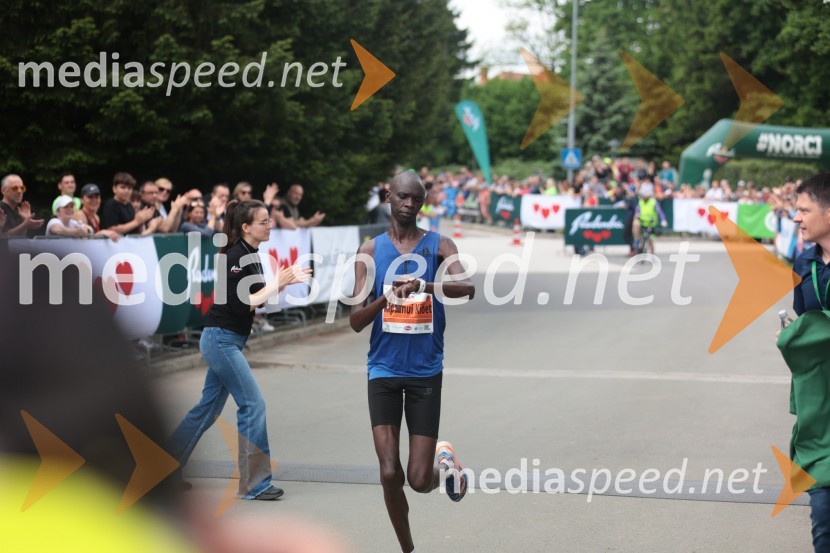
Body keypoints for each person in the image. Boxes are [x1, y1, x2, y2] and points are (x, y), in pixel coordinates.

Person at [349, 171, 476, 553]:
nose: (409, 205)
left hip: (425, 372)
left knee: (420, 480)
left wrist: (426, 286)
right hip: (383, 371)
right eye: (403, 197)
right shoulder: (369, 252)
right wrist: (385, 300)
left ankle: (446, 467)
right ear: (388, 196)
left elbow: (466, 287)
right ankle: (408, 549)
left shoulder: (439, 244)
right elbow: (356, 320)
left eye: (416, 200)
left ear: (423, 202)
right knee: (390, 472)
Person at [168, 199, 311, 500]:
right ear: (246, 227)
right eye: (264, 221)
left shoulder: (250, 254)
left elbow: (257, 301)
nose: (270, 225)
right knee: (253, 404)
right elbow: (240, 303)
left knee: (207, 409)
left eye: (270, 220)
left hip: (226, 340)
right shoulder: (236, 255)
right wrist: (278, 282)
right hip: (220, 341)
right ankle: (255, 484)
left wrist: (283, 283)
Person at [786, 174, 830, 552]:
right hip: (820, 410)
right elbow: (804, 328)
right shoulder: (803, 262)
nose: (796, 218)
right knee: (824, 517)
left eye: (804, 210)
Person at [631, 187, 668, 255]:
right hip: (642, 222)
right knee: (635, 223)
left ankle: (652, 253)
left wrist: (663, 220)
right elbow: (637, 211)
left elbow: (660, 212)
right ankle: (636, 241)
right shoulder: (640, 202)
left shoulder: (653, 202)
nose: (643, 197)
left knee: (650, 240)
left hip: (651, 224)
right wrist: (636, 216)